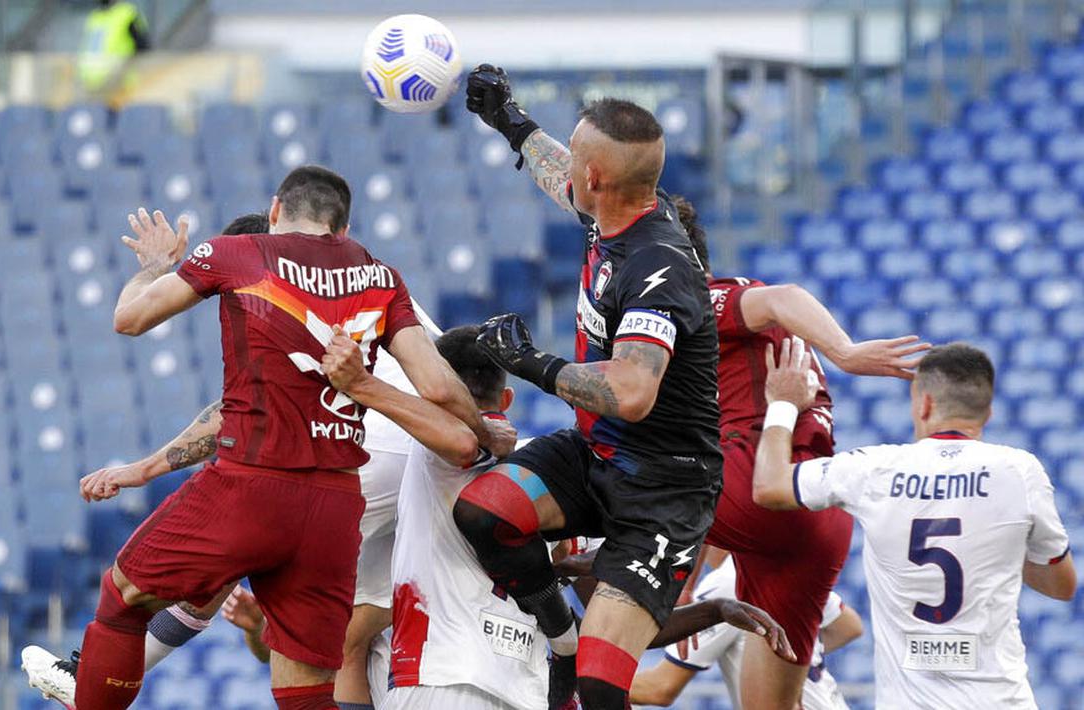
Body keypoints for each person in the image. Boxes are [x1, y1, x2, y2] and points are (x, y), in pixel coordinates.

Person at [44, 165, 499, 710]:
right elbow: (440, 386)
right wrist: (484, 429)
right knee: (307, 691)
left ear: (276, 211)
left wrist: (154, 267)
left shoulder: (238, 253)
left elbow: (130, 318)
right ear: (344, 227)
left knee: (123, 596)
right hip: (336, 504)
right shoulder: (382, 278)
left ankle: (91, 690)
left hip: (253, 484)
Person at [321, 326, 793, 710]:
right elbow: (614, 622)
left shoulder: (473, 465)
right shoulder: (532, 482)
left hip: (463, 683)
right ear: (506, 400)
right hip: (487, 683)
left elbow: (612, 622)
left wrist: (715, 609)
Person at [456, 65, 722, 710]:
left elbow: (632, 393)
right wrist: (508, 120)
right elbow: (561, 177)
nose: (568, 168)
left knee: (603, 692)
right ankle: (561, 638)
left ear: (596, 177)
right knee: (485, 512)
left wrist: (529, 362)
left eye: (578, 158)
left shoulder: (658, 267)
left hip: (664, 489)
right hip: (597, 455)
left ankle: (582, 658)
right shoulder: (618, 208)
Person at [671, 196, 928, 708]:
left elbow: (782, 295)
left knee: (594, 468)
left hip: (761, 489)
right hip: (812, 514)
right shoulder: (734, 339)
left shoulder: (704, 299)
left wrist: (846, 352)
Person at [752, 340, 1077, 709]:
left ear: (923, 404)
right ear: (987, 414)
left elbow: (769, 486)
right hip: (1000, 699)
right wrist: (992, 539)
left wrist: (781, 404)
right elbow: (1061, 585)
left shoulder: (874, 468)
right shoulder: (1019, 471)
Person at [629, 550, 863, 710]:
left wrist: (598, 680)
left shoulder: (728, 581)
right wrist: (783, 659)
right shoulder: (779, 565)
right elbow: (849, 627)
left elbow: (660, 688)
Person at [78, 0, 150, 92]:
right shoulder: (94, 17)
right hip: (90, 85)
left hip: (119, 85)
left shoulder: (127, 14)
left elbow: (144, 47)